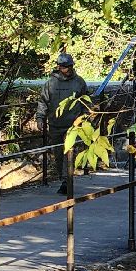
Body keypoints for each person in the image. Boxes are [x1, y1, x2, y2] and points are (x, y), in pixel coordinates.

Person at [34, 52, 90, 195]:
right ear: (58, 67)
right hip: (55, 124)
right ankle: (64, 179)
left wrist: (86, 117)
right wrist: (40, 118)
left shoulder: (79, 82)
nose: (65, 69)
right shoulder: (51, 83)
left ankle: (67, 180)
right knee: (58, 154)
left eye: (67, 66)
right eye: (63, 67)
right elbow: (43, 101)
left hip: (74, 125)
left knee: (70, 153)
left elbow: (85, 101)